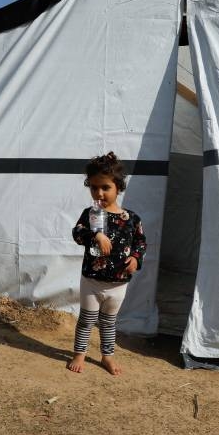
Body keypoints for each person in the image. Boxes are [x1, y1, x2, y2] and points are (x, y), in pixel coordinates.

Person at [68, 152, 147, 375]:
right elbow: (77, 233)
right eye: (93, 188)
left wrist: (136, 258)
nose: (99, 193)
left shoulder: (131, 219)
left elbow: (141, 242)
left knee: (108, 323)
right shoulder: (91, 214)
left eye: (105, 187)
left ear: (118, 187)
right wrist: (96, 236)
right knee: (86, 320)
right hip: (92, 281)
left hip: (119, 283)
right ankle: (79, 354)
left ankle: (107, 356)